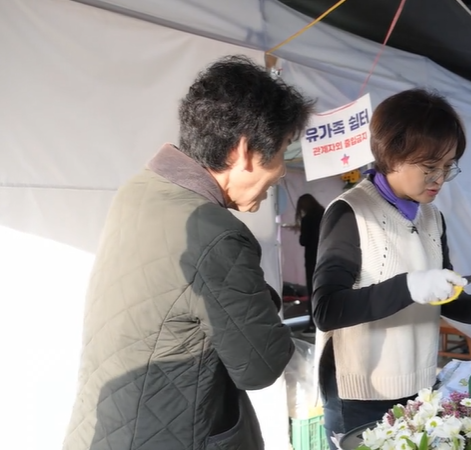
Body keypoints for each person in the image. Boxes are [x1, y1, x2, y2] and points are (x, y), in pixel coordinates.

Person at [62, 55, 314, 450]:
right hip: (170, 435)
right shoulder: (214, 234)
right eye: (282, 151)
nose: (282, 172)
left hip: (110, 425)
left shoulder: (140, 190)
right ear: (245, 151)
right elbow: (260, 366)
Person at [311, 88, 471, 443]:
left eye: (447, 167)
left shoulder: (432, 216)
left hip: (419, 384)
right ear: (391, 154)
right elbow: (327, 309)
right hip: (361, 392)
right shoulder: (351, 212)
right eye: (429, 168)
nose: (439, 179)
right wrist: (409, 285)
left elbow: (441, 293)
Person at [295, 193, 325, 334]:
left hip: (312, 260)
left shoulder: (307, 219)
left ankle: (313, 323)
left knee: (312, 291)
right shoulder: (325, 214)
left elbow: (303, 241)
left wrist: (301, 230)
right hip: (326, 257)